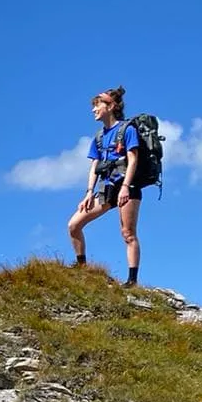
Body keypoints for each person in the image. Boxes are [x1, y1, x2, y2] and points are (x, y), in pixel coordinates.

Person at [68, 86, 142, 286]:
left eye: (97, 105)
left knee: (128, 233)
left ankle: (132, 281)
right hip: (106, 187)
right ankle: (82, 267)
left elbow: (132, 160)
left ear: (111, 107)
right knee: (74, 225)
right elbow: (94, 166)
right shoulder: (99, 137)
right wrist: (89, 193)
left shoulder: (127, 130)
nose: (93, 109)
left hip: (128, 185)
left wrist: (126, 186)